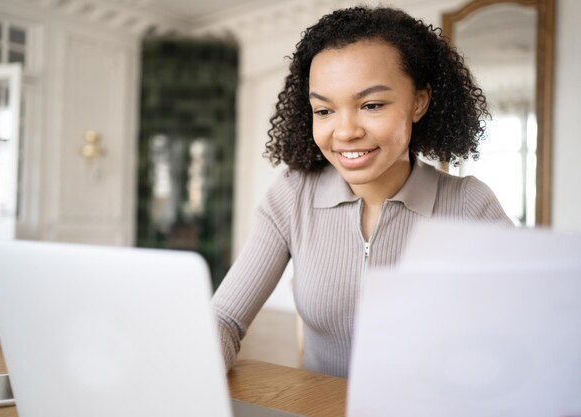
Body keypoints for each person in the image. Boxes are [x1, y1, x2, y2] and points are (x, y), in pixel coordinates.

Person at [211, 5, 512, 378]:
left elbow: (527, 333)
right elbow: (224, 316)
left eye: (371, 105)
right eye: (324, 111)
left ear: (419, 101)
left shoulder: (469, 205)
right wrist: (196, 364)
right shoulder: (292, 195)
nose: (345, 131)